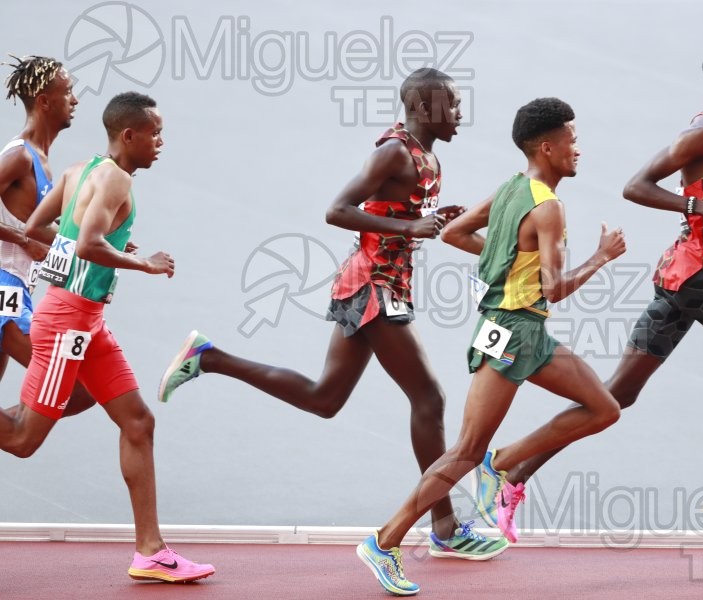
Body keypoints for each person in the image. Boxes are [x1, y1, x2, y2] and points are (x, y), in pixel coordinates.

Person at [158, 68, 508, 560]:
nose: (460, 112)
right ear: (424, 107)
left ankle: (210, 358)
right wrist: (409, 229)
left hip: (384, 286)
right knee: (429, 399)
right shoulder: (394, 151)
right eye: (452, 103)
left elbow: (399, 214)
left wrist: (425, 219)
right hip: (371, 286)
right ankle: (445, 527)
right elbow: (337, 210)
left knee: (325, 399)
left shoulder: (428, 157)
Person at [477, 40, 703, 547]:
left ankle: (512, 477)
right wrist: (697, 209)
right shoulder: (702, 133)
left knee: (615, 397)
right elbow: (636, 185)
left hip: (680, 280)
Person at [357, 97, 627, 595]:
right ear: (547, 147)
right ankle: (385, 541)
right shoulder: (548, 207)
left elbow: (455, 233)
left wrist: (505, 256)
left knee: (604, 408)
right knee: (462, 450)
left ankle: (501, 463)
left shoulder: (510, 189)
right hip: (511, 332)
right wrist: (601, 257)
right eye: (572, 140)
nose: (579, 150)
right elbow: (554, 288)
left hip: (529, 334)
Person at [1, 91, 215, 583]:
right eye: (155, 134)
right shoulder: (115, 178)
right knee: (21, 438)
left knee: (138, 421)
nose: (161, 143)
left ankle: (151, 552)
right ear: (129, 136)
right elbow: (90, 243)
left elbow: (35, 227)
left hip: (88, 322)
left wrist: (108, 240)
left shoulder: (80, 170)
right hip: (68, 322)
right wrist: (144, 262)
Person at [0, 55, 94, 417]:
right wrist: (24, 241)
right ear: (44, 101)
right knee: (77, 387)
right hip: (5, 291)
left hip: (18, 290)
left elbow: (37, 231)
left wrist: (94, 242)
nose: (75, 99)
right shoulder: (20, 157)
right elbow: (28, 236)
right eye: (68, 91)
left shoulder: (39, 159)